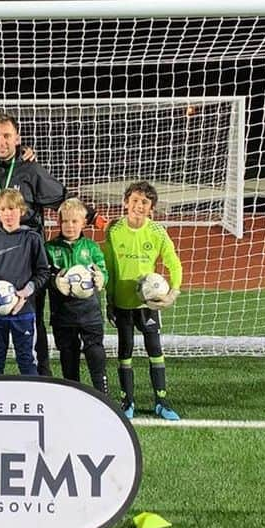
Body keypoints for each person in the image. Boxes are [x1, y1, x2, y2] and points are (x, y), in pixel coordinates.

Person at [0, 111, 66, 375]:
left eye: (7, 136)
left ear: (17, 139)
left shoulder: (30, 168)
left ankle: (42, 377)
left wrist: (91, 217)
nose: (2, 141)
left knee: (34, 325)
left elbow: (60, 196)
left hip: (26, 264)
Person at [102, 180, 183, 421]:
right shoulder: (114, 229)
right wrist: (109, 300)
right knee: (124, 352)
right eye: (135, 200)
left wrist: (173, 293)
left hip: (148, 305)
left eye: (145, 202)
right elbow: (109, 267)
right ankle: (128, 401)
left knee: (155, 350)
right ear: (125, 203)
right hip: (122, 303)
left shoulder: (157, 231)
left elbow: (174, 263)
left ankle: (161, 401)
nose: (139, 205)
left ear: (151, 209)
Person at [0, 188, 50, 376]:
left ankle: (31, 401)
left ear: (21, 211)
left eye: (12, 209)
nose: (8, 214)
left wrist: (26, 291)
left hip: (23, 311)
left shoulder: (32, 238)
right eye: (4, 209)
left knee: (27, 360)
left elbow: (43, 272)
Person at [46, 198, 109, 395]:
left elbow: (103, 271)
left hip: (90, 312)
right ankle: (73, 396)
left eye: (74, 221)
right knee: (68, 355)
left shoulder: (91, 248)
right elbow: (43, 275)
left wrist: (101, 278)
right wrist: (55, 280)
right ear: (59, 223)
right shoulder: (49, 248)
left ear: (83, 223)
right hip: (63, 314)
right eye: (65, 221)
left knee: (95, 353)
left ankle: (102, 394)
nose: (70, 226)